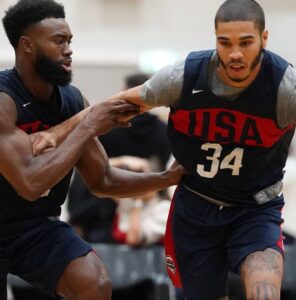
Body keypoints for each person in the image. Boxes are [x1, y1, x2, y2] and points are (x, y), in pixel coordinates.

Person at [101, 0, 296, 299]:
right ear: (215, 39)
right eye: (225, 42)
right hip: (196, 205)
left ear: (264, 39)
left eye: (246, 43)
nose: (235, 53)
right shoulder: (185, 77)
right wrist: (60, 133)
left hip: (254, 206)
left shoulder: (285, 87)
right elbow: (109, 108)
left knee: (265, 292)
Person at [0, 1, 183, 300]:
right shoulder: (4, 100)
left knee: (93, 282)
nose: (69, 49)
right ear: (27, 45)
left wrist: (167, 177)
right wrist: (87, 126)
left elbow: (103, 181)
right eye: (59, 41)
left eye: (70, 40)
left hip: (34, 228)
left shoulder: (72, 101)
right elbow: (29, 183)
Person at [67, 72, 172, 244]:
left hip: (106, 206)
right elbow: (168, 173)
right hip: (145, 205)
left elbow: (88, 163)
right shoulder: (162, 130)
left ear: (127, 92)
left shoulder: (109, 127)